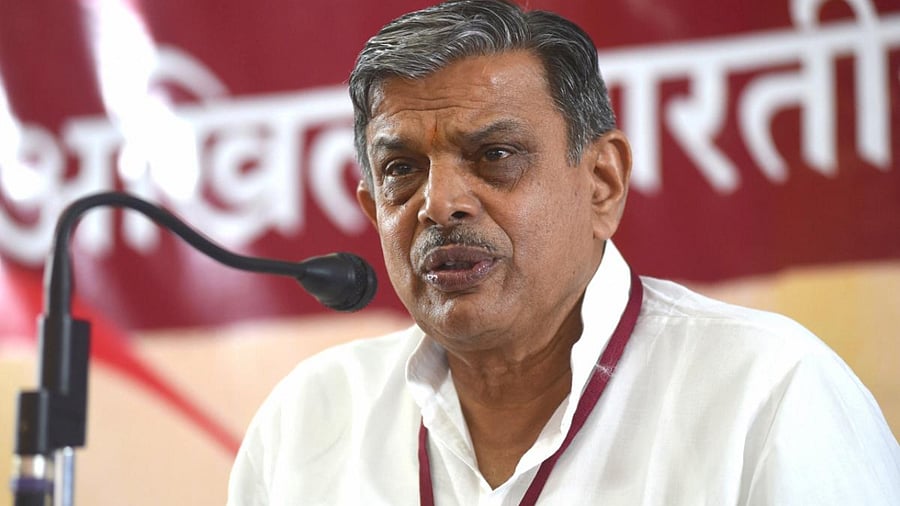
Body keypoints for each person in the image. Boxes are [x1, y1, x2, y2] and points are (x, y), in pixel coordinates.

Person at [227, 1, 900, 504]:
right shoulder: (307, 421)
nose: (439, 204)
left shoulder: (768, 391)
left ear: (602, 183)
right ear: (373, 209)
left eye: (495, 156)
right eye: (401, 169)